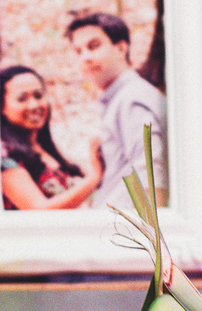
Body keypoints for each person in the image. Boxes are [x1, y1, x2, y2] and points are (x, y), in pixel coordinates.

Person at [65, 13, 168, 209]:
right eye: (78, 51)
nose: (85, 57)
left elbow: (152, 174)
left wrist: (152, 227)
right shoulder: (122, 97)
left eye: (93, 46)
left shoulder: (133, 98)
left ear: (121, 48)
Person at [0, 64, 103, 210]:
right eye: (22, 99)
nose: (34, 105)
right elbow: (40, 210)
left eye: (38, 96)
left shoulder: (43, 148)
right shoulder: (4, 158)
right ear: (2, 106)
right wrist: (94, 177)